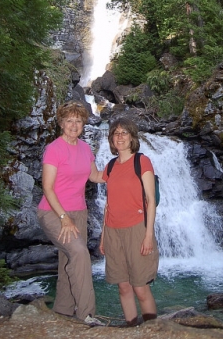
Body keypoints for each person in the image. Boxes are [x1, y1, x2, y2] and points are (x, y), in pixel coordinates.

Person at [37, 100, 103, 327]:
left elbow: (96, 176)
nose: (74, 125)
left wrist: (124, 168)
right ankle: (87, 314)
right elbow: (47, 187)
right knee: (79, 252)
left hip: (79, 212)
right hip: (54, 212)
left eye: (78, 121)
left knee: (69, 259)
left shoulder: (85, 148)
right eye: (69, 121)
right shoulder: (54, 149)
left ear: (84, 124)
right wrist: (64, 218)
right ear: (61, 123)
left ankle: (63, 312)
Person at [92, 117, 159, 327]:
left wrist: (148, 235)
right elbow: (107, 202)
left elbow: (150, 200)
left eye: (124, 133)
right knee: (123, 287)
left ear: (132, 137)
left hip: (137, 230)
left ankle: (151, 329)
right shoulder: (110, 166)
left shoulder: (142, 161)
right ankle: (131, 327)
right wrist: (104, 236)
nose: (120, 137)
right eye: (116, 133)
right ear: (111, 139)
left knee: (140, 287)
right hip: (113, 231)